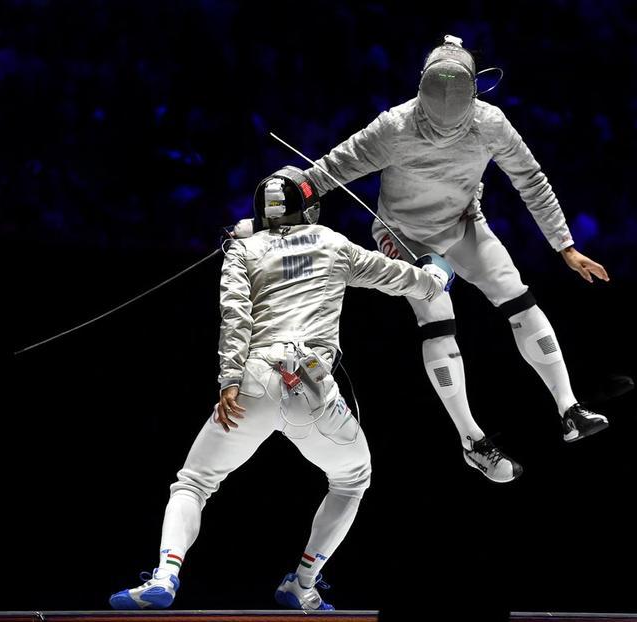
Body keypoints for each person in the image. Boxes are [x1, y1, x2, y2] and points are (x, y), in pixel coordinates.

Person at [109, 166, 454, 611]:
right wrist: (437, 274)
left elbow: (235, 317)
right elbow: (407, 281)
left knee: (194, 482)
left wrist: (229, 382)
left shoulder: (241, 249)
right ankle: (303, 582)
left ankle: (165, 576)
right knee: (352, 478)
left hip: (253, 380)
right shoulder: (333, 243)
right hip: (312, 386)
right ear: (308, 208)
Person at [298, 34, 609, 483]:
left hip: (464, 224)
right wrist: (289, 194)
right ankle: (471, 440)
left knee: (516, 295)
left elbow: (531, 180)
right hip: (403, 235)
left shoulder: (490, 124)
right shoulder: (395, 126)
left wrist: (566, 246)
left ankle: (570, 408)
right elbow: (331, 169)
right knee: (437, 312)